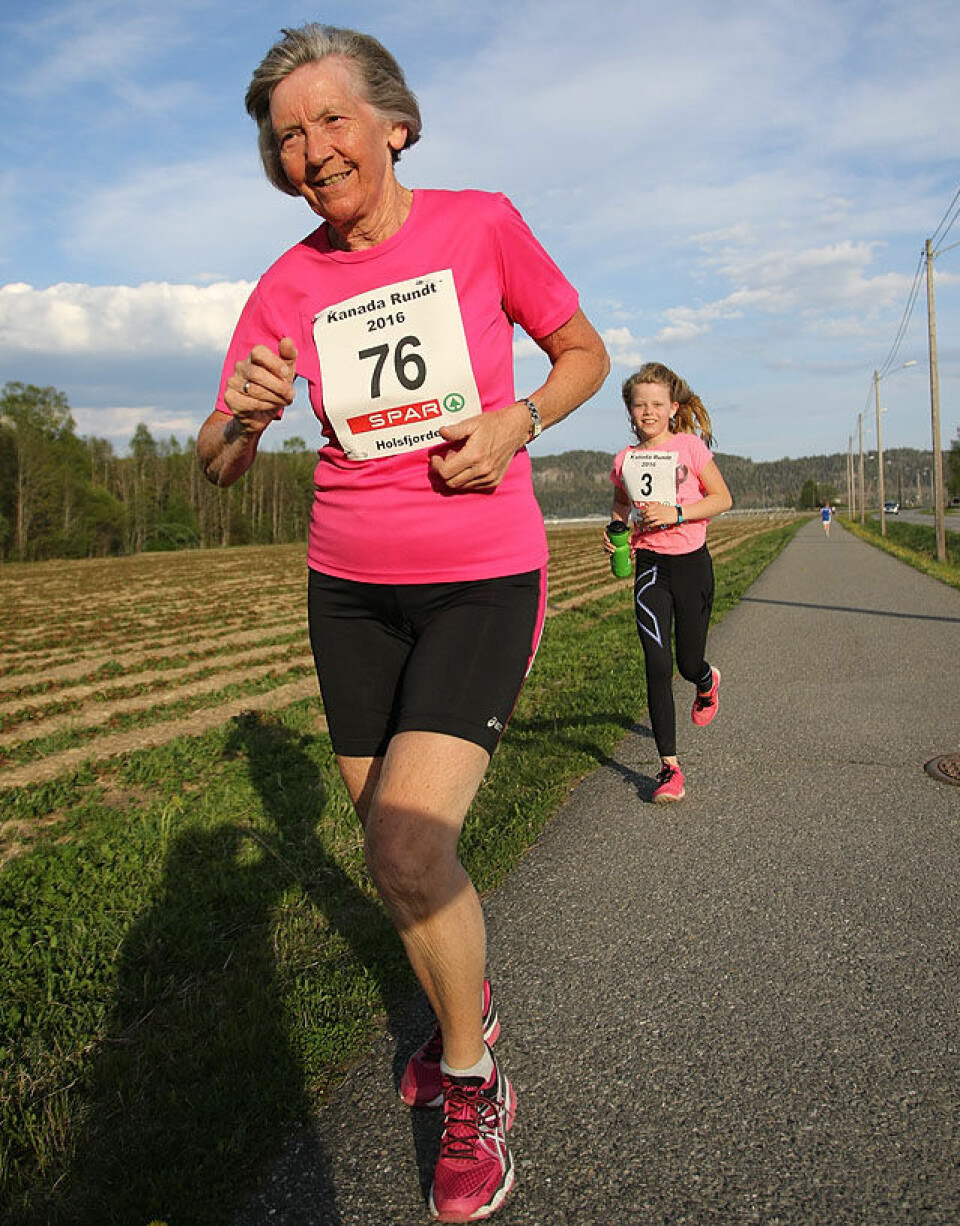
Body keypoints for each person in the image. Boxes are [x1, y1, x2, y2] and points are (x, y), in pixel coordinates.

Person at [196, 24, 609, 1222]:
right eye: (286, 137)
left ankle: (473, 1083)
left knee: (409, 846)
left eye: (330, 121)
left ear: (394, 124)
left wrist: (518, 423)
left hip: (482, 570)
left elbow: (581, 351)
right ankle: (462, 1003)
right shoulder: (285, 284)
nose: (311, 150)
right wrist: (243, 415)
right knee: (390, 842)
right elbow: (217, 462)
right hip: (349, 587)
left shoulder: (478, 223)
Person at [603, 363, 732, 804]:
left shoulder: (690, 448)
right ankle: (669, 769)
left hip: (692, 564)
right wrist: (616, 530)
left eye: (657, 404)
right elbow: (621, 504)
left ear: (673, 408)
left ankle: (704, 680)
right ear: (630, 412)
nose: (648, 412)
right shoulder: (624, 460)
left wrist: (677, 514)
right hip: (650, 568)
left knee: (685, 661)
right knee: (656, 664)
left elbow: (722, 498)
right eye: (640, 405)